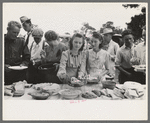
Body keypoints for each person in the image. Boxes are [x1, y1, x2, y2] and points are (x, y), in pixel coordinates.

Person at [4, 21, 30, 85]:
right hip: (4, 75)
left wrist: (24, 64)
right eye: (14, 32)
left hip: (19, 74)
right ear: (8, 30)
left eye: (17, 33)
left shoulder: (21, 41)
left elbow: (27, 57)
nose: (16, 35)